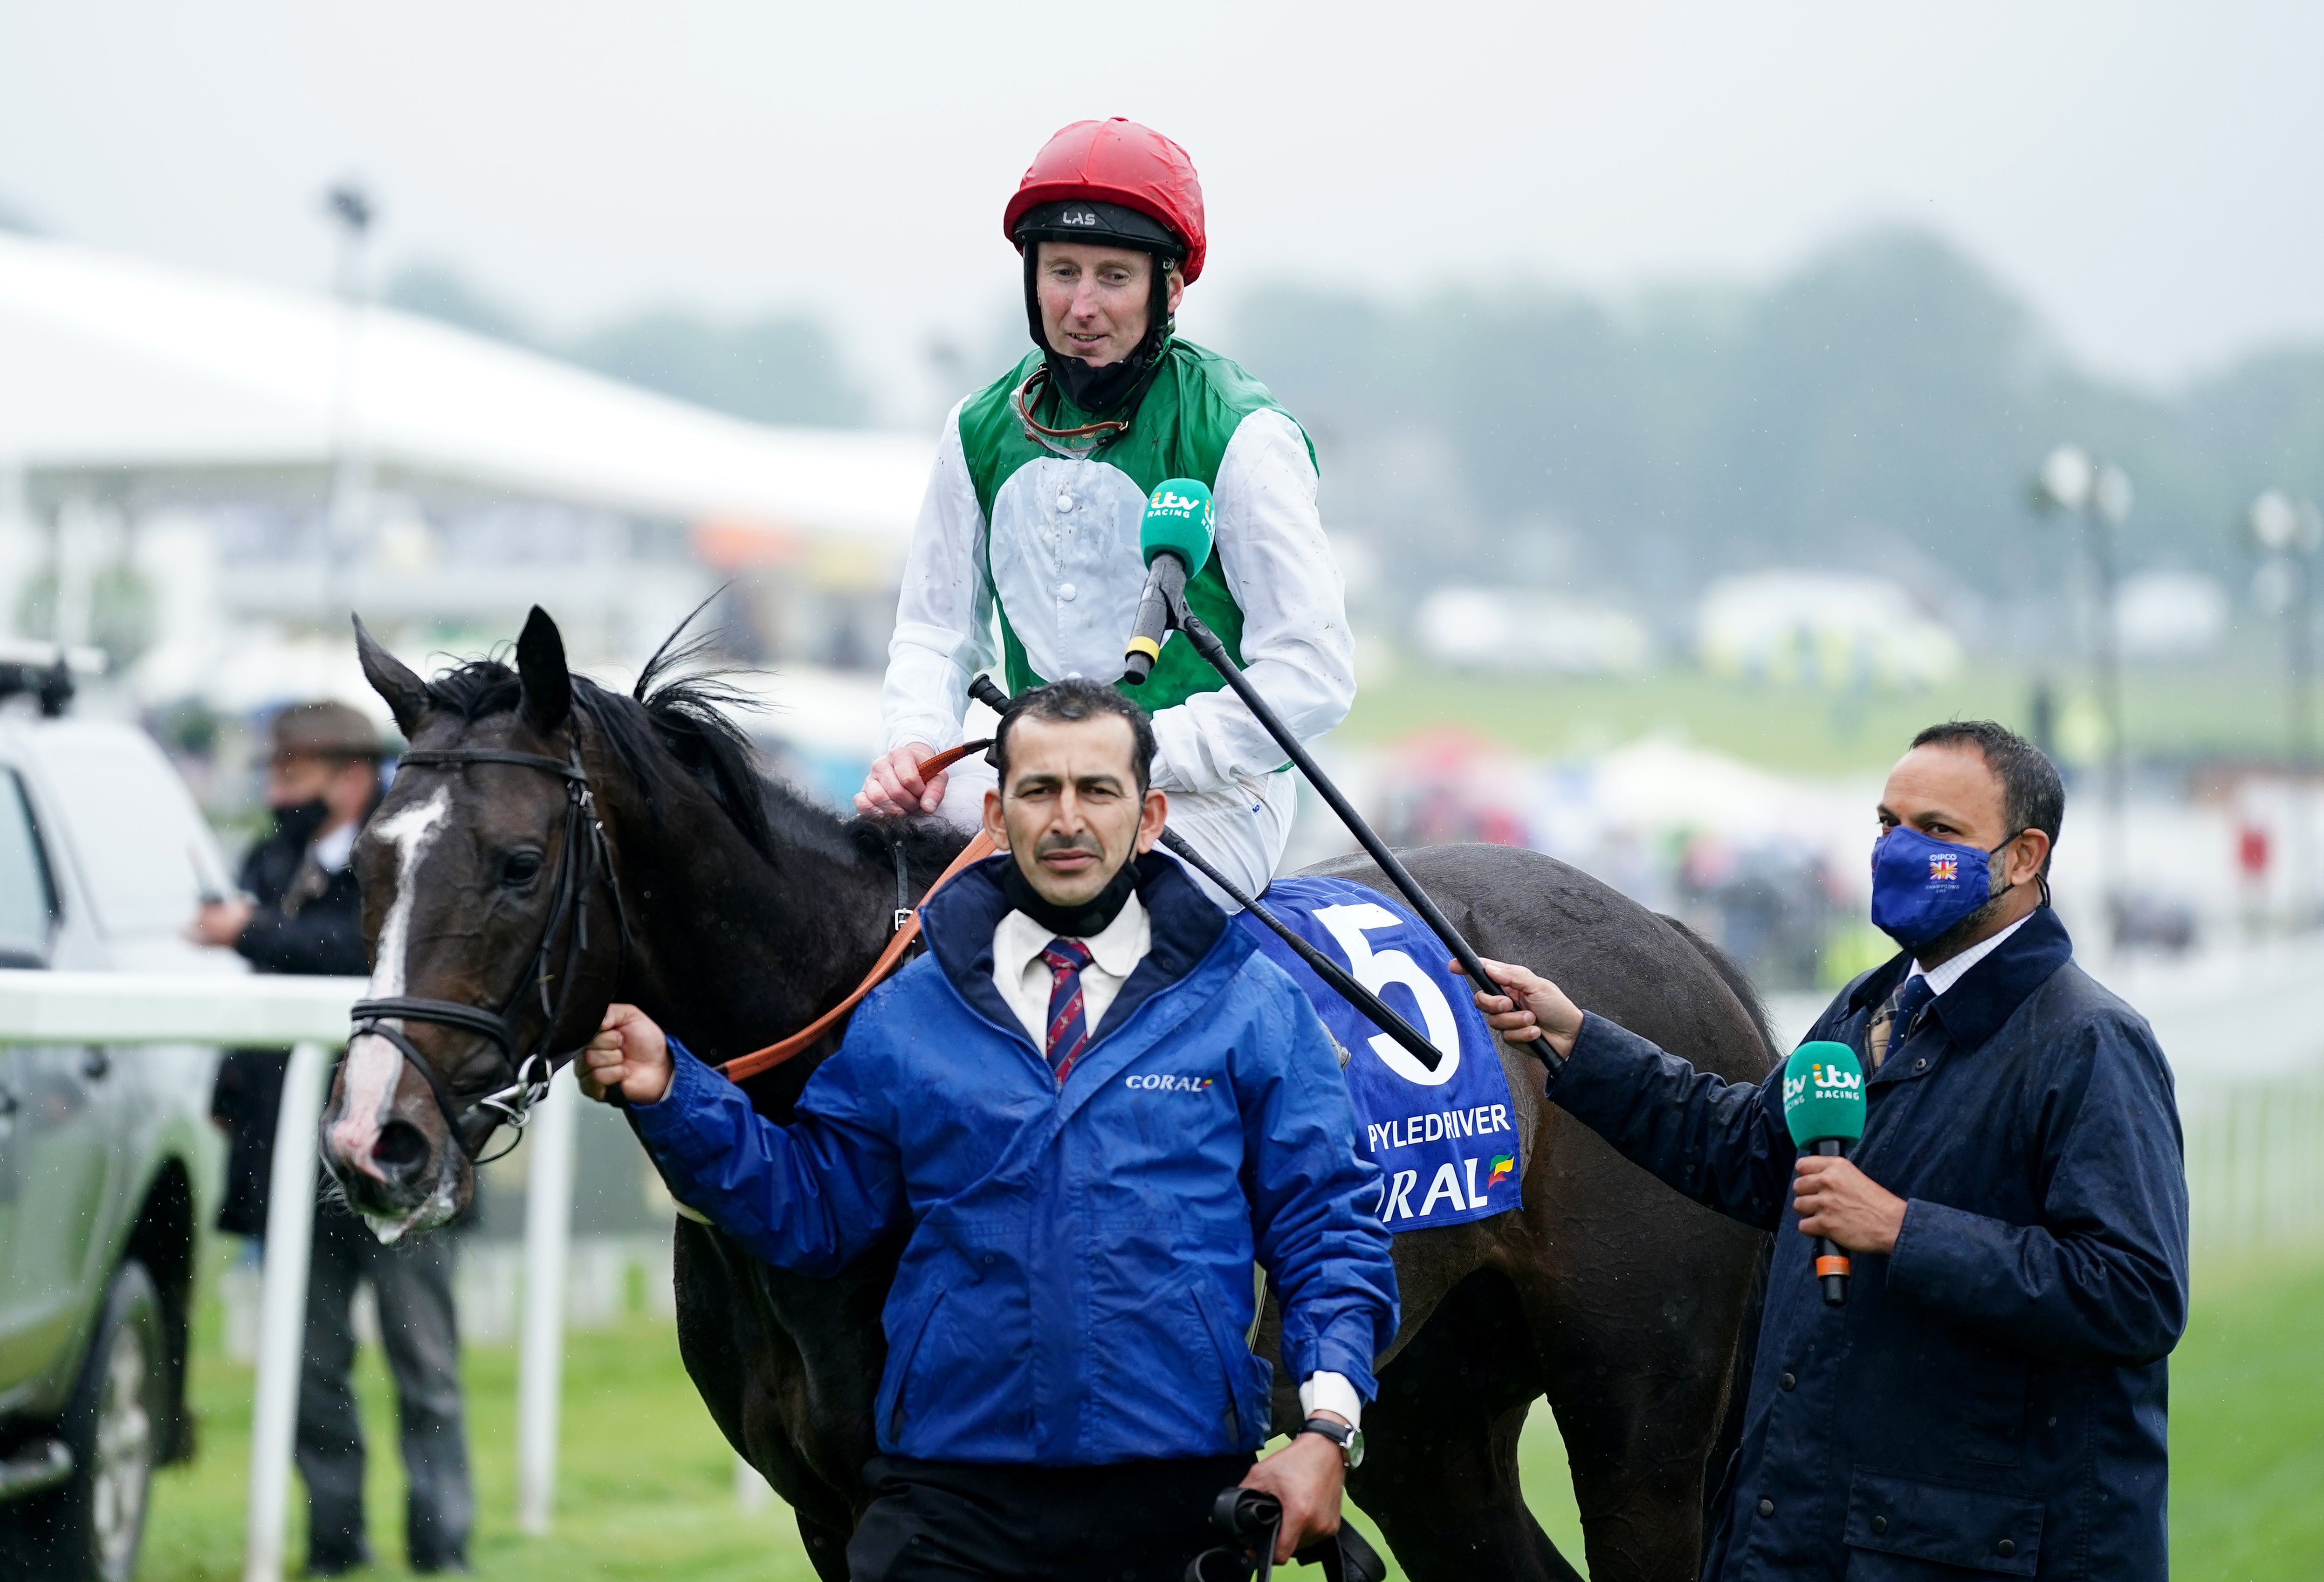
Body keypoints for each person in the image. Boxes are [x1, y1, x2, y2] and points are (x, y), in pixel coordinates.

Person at [586, 679, 1397, 1580]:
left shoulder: (1251, 1004)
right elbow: (814, 1211)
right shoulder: (906, 1012)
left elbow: (1327, 1232)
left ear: (1151, 817)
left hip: (1176, 1497)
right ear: (994, 814)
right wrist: (675, 1092)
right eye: (1038, 790)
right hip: (948, 1501)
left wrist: (1327, 1430)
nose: (1067, 819)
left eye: (1097, 790)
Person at [1463, 721, 2187, 1581]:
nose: (1898, 850)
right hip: (1814, 1534)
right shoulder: (1871, 1005)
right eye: (1887, 823)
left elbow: (2134, 1293)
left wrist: (1899, 1229)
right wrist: (1577, 1040)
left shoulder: (2091, 1042)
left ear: (2024, 856)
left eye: (1937, 830)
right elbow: (1745, 1149)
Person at [856, 117, 1355, 906]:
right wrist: (913, 740)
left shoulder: (1242, 434)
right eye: (1062, 272)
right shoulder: (975, 429)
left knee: (1090, 914)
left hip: (1209, 795)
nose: (1081, 306)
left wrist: (1131, 751)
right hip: (1027, 779)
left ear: (1170, 289)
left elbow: (1312, 672)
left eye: (1113, 277)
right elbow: (935, 632)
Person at [194, 702, 474, 1575]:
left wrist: (251, 928)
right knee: (310, 1367)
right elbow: (257, 993)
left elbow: (362, 953)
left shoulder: (414, 855)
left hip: (399, 1149)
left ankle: (442, 1547)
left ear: (352, 778)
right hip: (289, 1153)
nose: (277, 793)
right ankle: (334, 1545)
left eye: (293, 775)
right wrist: (226, 1092)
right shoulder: (271, 859)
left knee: (423, 1361)